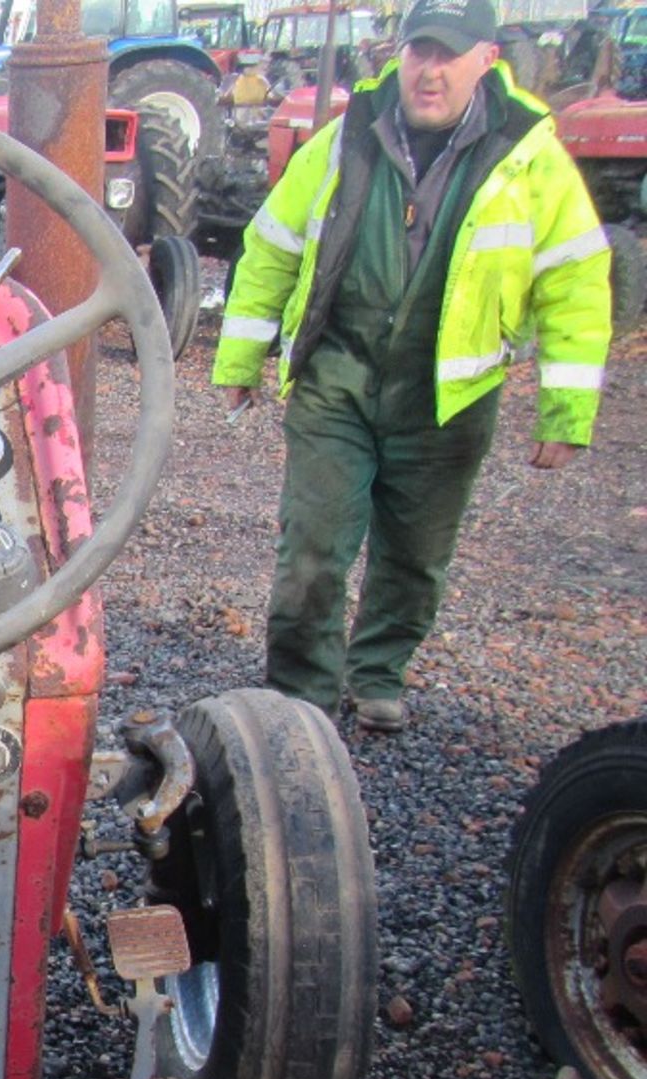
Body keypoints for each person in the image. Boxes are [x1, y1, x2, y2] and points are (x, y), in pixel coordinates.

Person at [213, 0, 611, 732]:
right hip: (339, 375)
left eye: (447, 55)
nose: (428, 72)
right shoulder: (344, 140)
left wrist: (567, 413)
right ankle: (302, 700)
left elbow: (576, 284)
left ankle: (378, 672)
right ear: (400, 54)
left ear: (485, 60)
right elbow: (271, 247)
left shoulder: (529, 157)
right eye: (418, 52)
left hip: (449, 394)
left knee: (416, 556)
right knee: (313, 548)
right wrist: (241, 357)